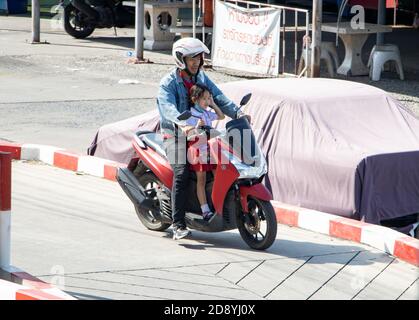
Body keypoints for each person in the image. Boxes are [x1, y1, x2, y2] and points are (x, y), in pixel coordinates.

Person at [157, 37, 249, 241]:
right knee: (181, 172)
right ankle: (178, 224)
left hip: (200, 132)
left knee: (225, 157)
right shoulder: (168, 84)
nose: (196, 61)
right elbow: (168, 109)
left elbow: (218, 97)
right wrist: (185, 123)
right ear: (181, 59)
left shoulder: (201, 78)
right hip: (175, 133)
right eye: (192, 58)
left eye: (198, 57)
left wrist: (238, 114)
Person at [185, 84, 225, 221]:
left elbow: (221, 116)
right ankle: (205, 210)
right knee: (201, 181)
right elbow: (188, 135)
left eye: (209, 98)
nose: (207, 101)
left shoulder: (207, 112)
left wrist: (213, 104)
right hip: (197, 149)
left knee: (218, 176)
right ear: (195, 99)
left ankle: (218, 205)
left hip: (210, 149)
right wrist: (196, 126)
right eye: (205, 99)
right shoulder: (191, 113)